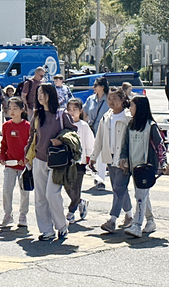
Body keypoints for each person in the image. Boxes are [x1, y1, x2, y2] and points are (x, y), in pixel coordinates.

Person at [24, 83, 77, 241]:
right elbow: (32, 136)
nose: (40, 96)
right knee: (40, 197)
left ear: (51, 95)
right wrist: (27, 154)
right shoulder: (37, 115)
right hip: (39, 159)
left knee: (51, 194)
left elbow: (73, 133)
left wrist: (60, 140)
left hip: (57, 161)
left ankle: (61, 226)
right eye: (38, 93)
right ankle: (46, 230)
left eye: (43, 93)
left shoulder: (62, 115)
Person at [119, 95, 167, 237]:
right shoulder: (131, 125)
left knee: (140, 195)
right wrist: (123, 158)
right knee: (142, 195)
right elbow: (125, 144)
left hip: (146, 167)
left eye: (132, 106)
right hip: (134, 167)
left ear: (139, 107)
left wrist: (163, 162)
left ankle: (136, 225)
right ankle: (150, 221)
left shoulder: (151, 126)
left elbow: (160, 145)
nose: (130, 108)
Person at [90, 87, 133, 233]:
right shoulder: (106, 117)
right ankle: (129, 215)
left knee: (118, 188)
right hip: (110, 157)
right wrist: (94, 157)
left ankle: (112, 220)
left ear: (122, 100)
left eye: (115, 99)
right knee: (119, 188)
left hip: (123, 159)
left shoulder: (127, 118)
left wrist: (127, 158)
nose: (111, 102)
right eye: (109, 99)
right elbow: (99, 139)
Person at [0, 97, 31, 228]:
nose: (11, 111)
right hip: (10, 164)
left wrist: (26, 158)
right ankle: (7, 215)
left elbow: (30, 145)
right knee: (7, 189)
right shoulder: (6, 126)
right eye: (9, 108)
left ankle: (23, 215)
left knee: (24, 191)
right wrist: (2, 156)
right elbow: (4, 143)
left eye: (15, 108)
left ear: (22, 109)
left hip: (23, 165)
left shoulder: (27, 126)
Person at [65, 98, 94, 224]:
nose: (72, 112)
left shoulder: (83, 126)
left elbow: (89, 143)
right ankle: (80, 201)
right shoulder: (64, 124)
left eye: (74, 109)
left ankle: (71, 211)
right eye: (69, 109)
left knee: (76, 187)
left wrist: (88, 159)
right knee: (67, 187)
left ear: (80, 111)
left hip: (79, 163)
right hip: (66, 162)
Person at [83, 77, 110, 190]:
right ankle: (96, 176)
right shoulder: (90, 99)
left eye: (95, 85)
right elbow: (85, 113)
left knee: (101, 156)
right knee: (92, 154)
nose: (93, 87)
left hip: (105, 130)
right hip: (91, 130)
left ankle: (101, 180)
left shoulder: (109, 99)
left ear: (102, 87)